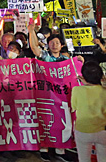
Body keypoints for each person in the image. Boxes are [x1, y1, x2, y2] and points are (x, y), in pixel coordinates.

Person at [29, 24, 82, 161]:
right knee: (45, 121)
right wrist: (31, 31)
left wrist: (79, 61)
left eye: (57, 43)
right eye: (51, 42)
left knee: (62, 122)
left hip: (62, 97)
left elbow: (74, 72)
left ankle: (60, 150)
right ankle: (44, 149)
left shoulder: (66, 60)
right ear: (48, 44)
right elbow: (34, 48)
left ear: (61, 45)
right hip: (46, 96)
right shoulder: (44, 57)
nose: (54, 45)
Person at [71, 61, 106, 162]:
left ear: (84, 76)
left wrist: (86, 83)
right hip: (102, 130)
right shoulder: (104, 91)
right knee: (103, 158)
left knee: (84, 159)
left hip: (83, 130)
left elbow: (74, 107)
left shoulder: (76, 90)